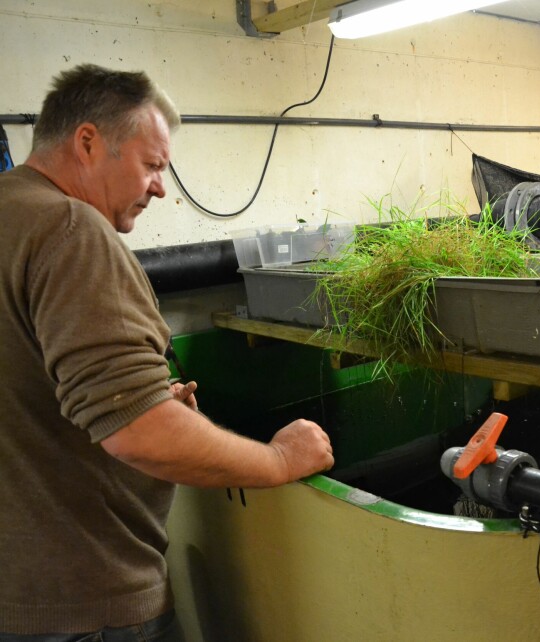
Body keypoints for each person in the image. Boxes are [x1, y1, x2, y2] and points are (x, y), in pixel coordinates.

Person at [0, 64, 335, 639]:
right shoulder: (70, 230)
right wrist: (280, 461)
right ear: (88, 142)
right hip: (89, 600)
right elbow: (139, 434)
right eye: (152, 165)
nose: (160, 186)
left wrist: (137, 395)